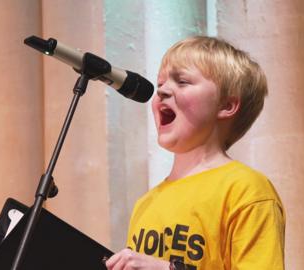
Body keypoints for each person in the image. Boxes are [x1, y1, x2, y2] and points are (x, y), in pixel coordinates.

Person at [105, 36, 285, 270]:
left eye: (182, 81)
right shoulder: (146, 203)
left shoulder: (247, 190)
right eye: (160, 84)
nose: (162, 91)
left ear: (226, 106)